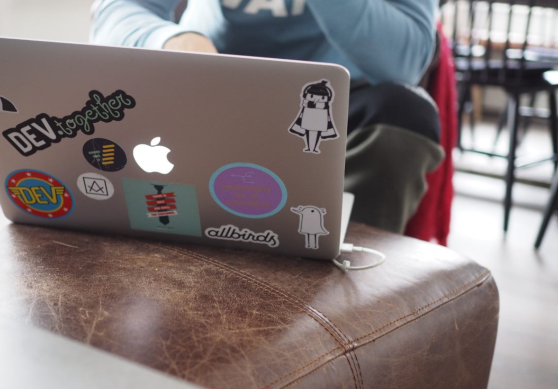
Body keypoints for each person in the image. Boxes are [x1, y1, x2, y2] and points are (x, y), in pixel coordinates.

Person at [90, 0, 444, 234]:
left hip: (341, 110)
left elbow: (406, 61)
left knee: (405, 116)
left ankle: (343, 288)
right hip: (209, 87)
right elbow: (116, 13)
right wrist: (172, 39)